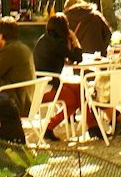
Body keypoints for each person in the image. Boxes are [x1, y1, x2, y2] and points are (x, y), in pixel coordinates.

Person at [33, 13, 87, 141]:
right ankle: (49, 126)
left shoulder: (44, 39)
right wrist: (74, 39)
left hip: (42, 84)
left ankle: (93, 125)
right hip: (48, 87)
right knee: (73, 100)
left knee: (80, 90)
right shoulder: (58, 43)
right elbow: (78, 58)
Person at [0, 17, 36, 114]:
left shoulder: (9, 51)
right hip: (27, 101)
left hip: (14, 104)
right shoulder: (23, 47)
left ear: (1, 36)